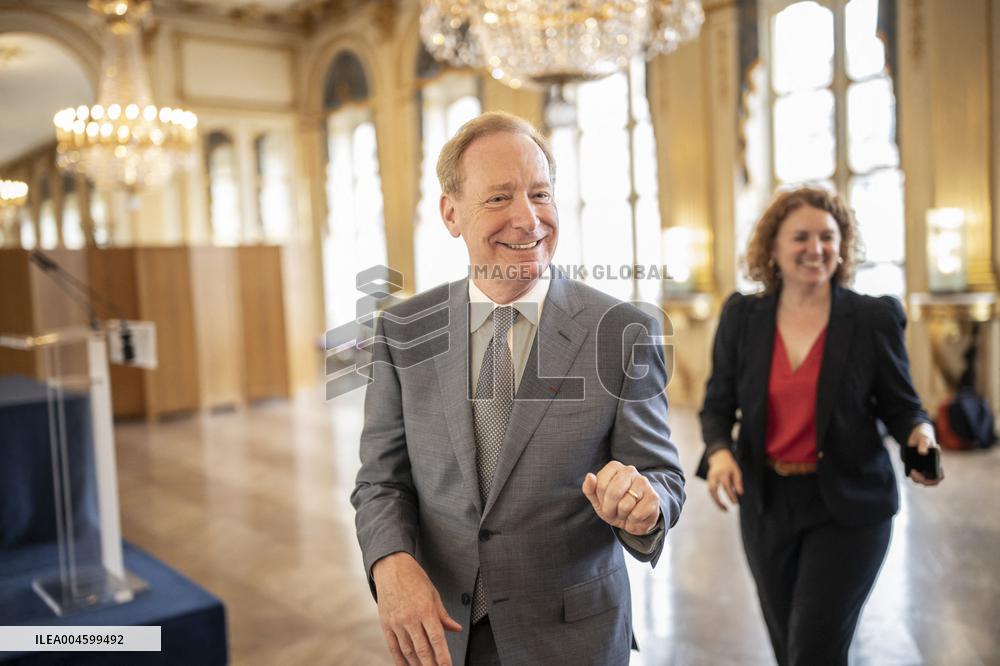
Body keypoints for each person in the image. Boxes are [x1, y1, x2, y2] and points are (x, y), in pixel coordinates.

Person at [351, 111, 685, 666]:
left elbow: (662, 477)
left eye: (539, 194)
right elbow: (380, 481)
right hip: (444, 632)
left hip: (572, 637)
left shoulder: (622, 332)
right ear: (450, 213)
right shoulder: (403, 331)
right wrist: (389, 562)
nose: (528, 219)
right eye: (499, 198)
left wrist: (645, 505)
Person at [697, 186, 942, 666]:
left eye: (828, 237)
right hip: (767, 504)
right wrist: (720, 450)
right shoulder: (743, 317)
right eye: (801, 237)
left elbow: (903, 406)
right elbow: (717, 404)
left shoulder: (872, 317)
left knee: (814, 651)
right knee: (788, 646)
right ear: (772, 247)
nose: (817, 249)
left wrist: (920, 434)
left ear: (842, 245)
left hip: (850, 506)